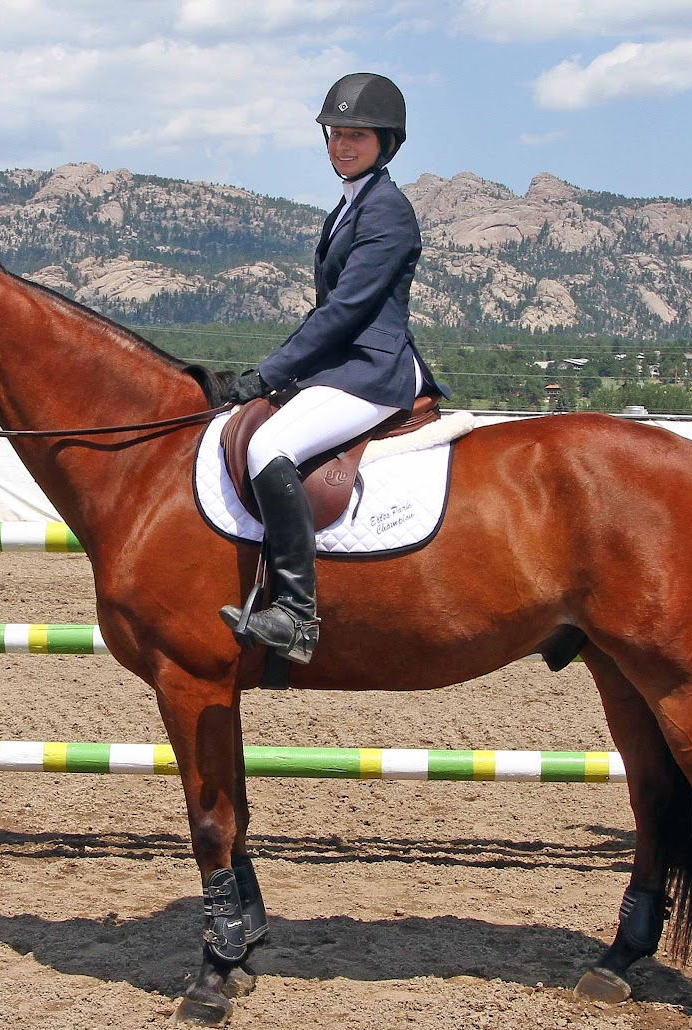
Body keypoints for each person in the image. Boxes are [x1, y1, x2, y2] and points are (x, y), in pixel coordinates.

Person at [218, 72, 445, 664]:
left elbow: (345, 312)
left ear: (386, 141)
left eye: (356, 136)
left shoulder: (387, 212)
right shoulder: (352, 204)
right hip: (345, 363)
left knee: (269, 450)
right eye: (334, 134)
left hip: (373, 368)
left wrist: (270, 372)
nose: (341, 146)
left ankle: (296, 615)